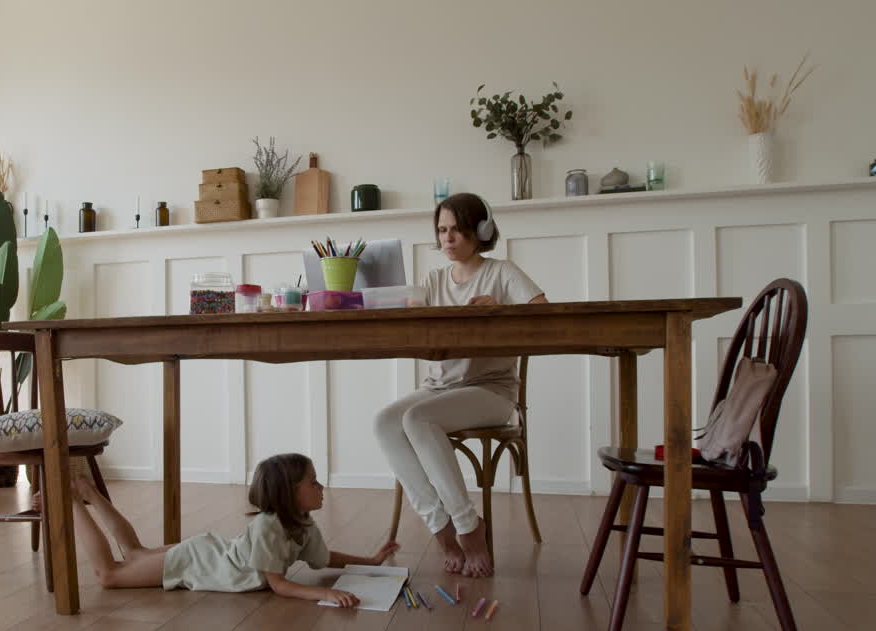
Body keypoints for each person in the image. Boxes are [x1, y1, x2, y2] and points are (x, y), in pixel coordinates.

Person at [374, 193, 548, 578]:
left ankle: (469, 527)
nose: (448, 238)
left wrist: (501, 311)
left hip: (491, 391)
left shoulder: (502, 272)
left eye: (456, 229)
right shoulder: (434, 281)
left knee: (418, 419)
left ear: (480, 230)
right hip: (439, 390)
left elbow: (544, 311)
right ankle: (441, 526)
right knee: (384, 421)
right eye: (441, 230)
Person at [69, 452, 400, 606]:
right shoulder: (270, 526)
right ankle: (71, 502)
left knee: (134, 553)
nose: (321, 487)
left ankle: (88, 493)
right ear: (289, 493)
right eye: (313, 482)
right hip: (197, 562)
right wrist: (324, 593)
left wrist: (370, 562)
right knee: (110, 575)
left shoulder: (301, 522)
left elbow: (323, 558)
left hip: (207, 553)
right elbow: (279, 585)